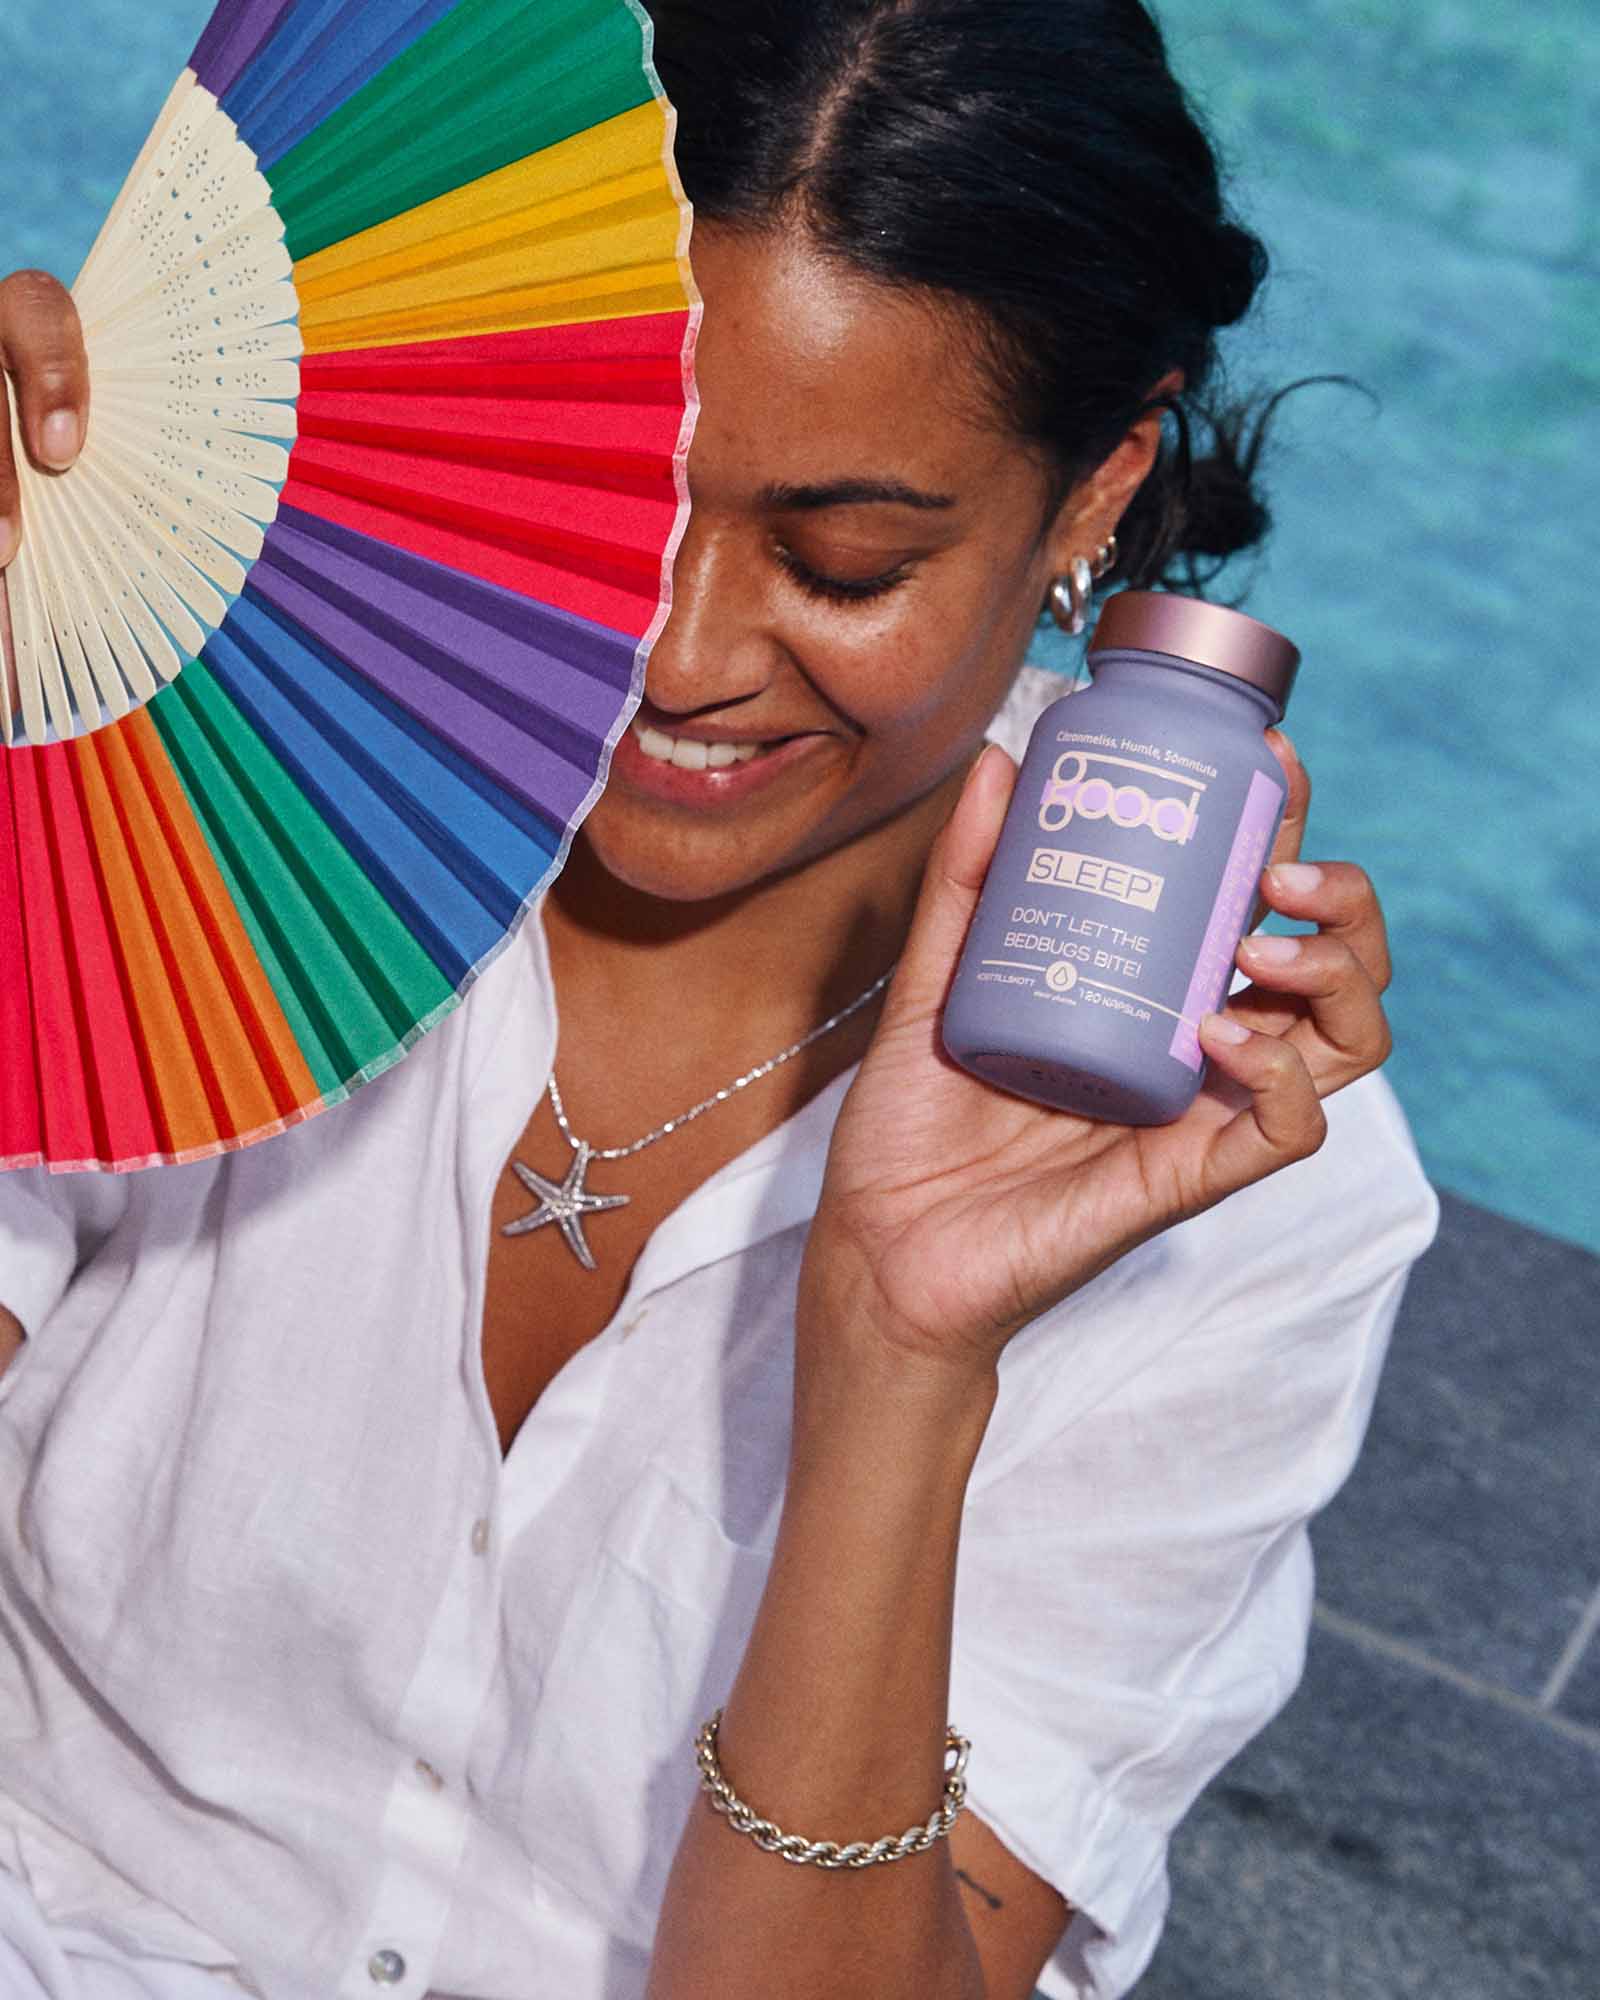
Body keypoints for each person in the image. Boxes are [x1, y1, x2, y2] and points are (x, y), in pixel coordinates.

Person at [0, 3, 1437, 1997]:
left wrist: (901, 1357)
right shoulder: (228, 748)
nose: (673, 659)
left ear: (1096, 489)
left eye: (841, 562)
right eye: (603, 496)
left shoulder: (1240, 1178)